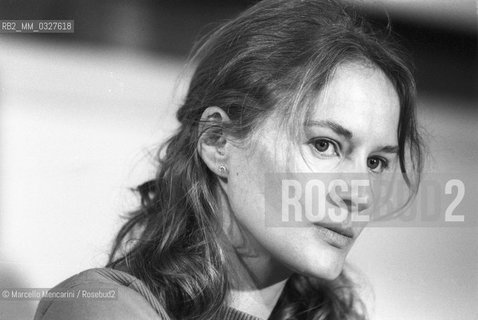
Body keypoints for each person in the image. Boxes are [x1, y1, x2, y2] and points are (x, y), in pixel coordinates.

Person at [34, 0, 423, 319]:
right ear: (218, 142)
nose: (358, 195)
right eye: (324, 145)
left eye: (376, 163)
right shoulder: (103, 307)